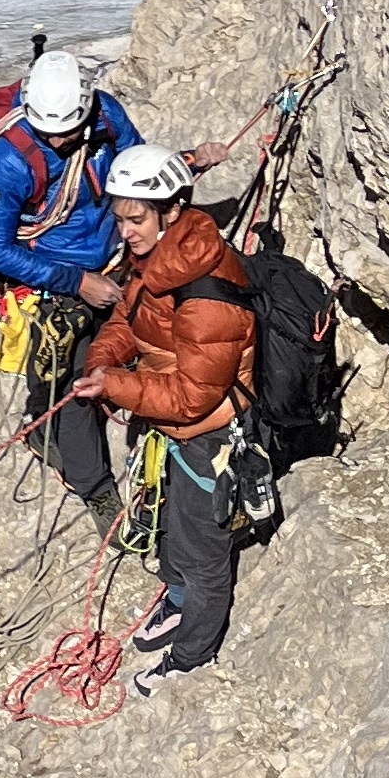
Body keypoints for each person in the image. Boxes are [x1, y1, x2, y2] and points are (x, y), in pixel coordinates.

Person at [72, 144, 258, 677]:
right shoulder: (157, 260)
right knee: (174, 526)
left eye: (136, 219)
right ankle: (177, 601)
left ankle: (191, 658)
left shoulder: (205, 295)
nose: (125, 231)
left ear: (173, 210)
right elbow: (128, 320)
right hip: (174, 423)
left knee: (203, 555)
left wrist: (116, 385)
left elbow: (194, 397)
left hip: (209, 432)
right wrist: (102, 362)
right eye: (120, 219)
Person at [0, 48, 143, 529]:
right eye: (49, 131)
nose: (59, 139)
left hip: (114, 257)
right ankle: (95, 487)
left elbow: (133, 167)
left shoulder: (105, 117)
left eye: (67, 128)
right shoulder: (9, 158)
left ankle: (49, 424)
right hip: (54, 279)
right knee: (77, 385)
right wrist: (78, 281)